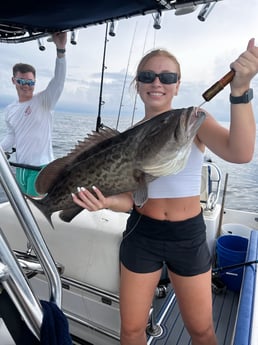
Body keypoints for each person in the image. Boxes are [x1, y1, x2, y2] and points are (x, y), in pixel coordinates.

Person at [72, 38, 258, 345]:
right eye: (147, 76)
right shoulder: (129, 138)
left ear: (177, 84)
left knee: (201, 330)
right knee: (131, 330)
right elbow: (133, 200)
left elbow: (240, 153)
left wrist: (239, 92)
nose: (157, 83)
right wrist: (104, 202)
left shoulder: (193, 120)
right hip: (142, 234)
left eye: (167, 77)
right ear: (137, 84)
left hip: (188, 236)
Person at [0, 32, 67, 197]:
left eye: (30, 82)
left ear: (34, 82)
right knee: (26, 202)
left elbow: (58, 81)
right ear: (13, 80)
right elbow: (12, 135)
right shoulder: (10, 110)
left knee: (38, 203)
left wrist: (61, 50)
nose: (26, 86)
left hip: (42, 168)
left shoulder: (44, 100)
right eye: (22, 81)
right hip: (21, 168)